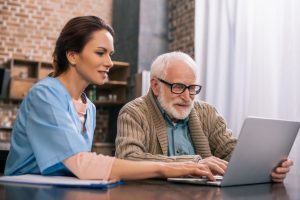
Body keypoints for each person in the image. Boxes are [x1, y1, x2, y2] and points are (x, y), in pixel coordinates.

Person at [4, 16, 215, 181]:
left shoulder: (90, 108)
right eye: (100, 53)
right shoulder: (45, 95)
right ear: (72, 55)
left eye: (110, 54)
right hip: (26, 192)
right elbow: (82, 165)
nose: (110, 62)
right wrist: (167, 168)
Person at [115, 51, 293, 182]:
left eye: (192, 88)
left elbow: (231, 152)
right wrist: (193, 163)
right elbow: (128, 159)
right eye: (178, 87)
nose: (187, 97)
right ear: (155, 85)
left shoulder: (207, 113)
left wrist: (266, 166)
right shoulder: (134, 112)